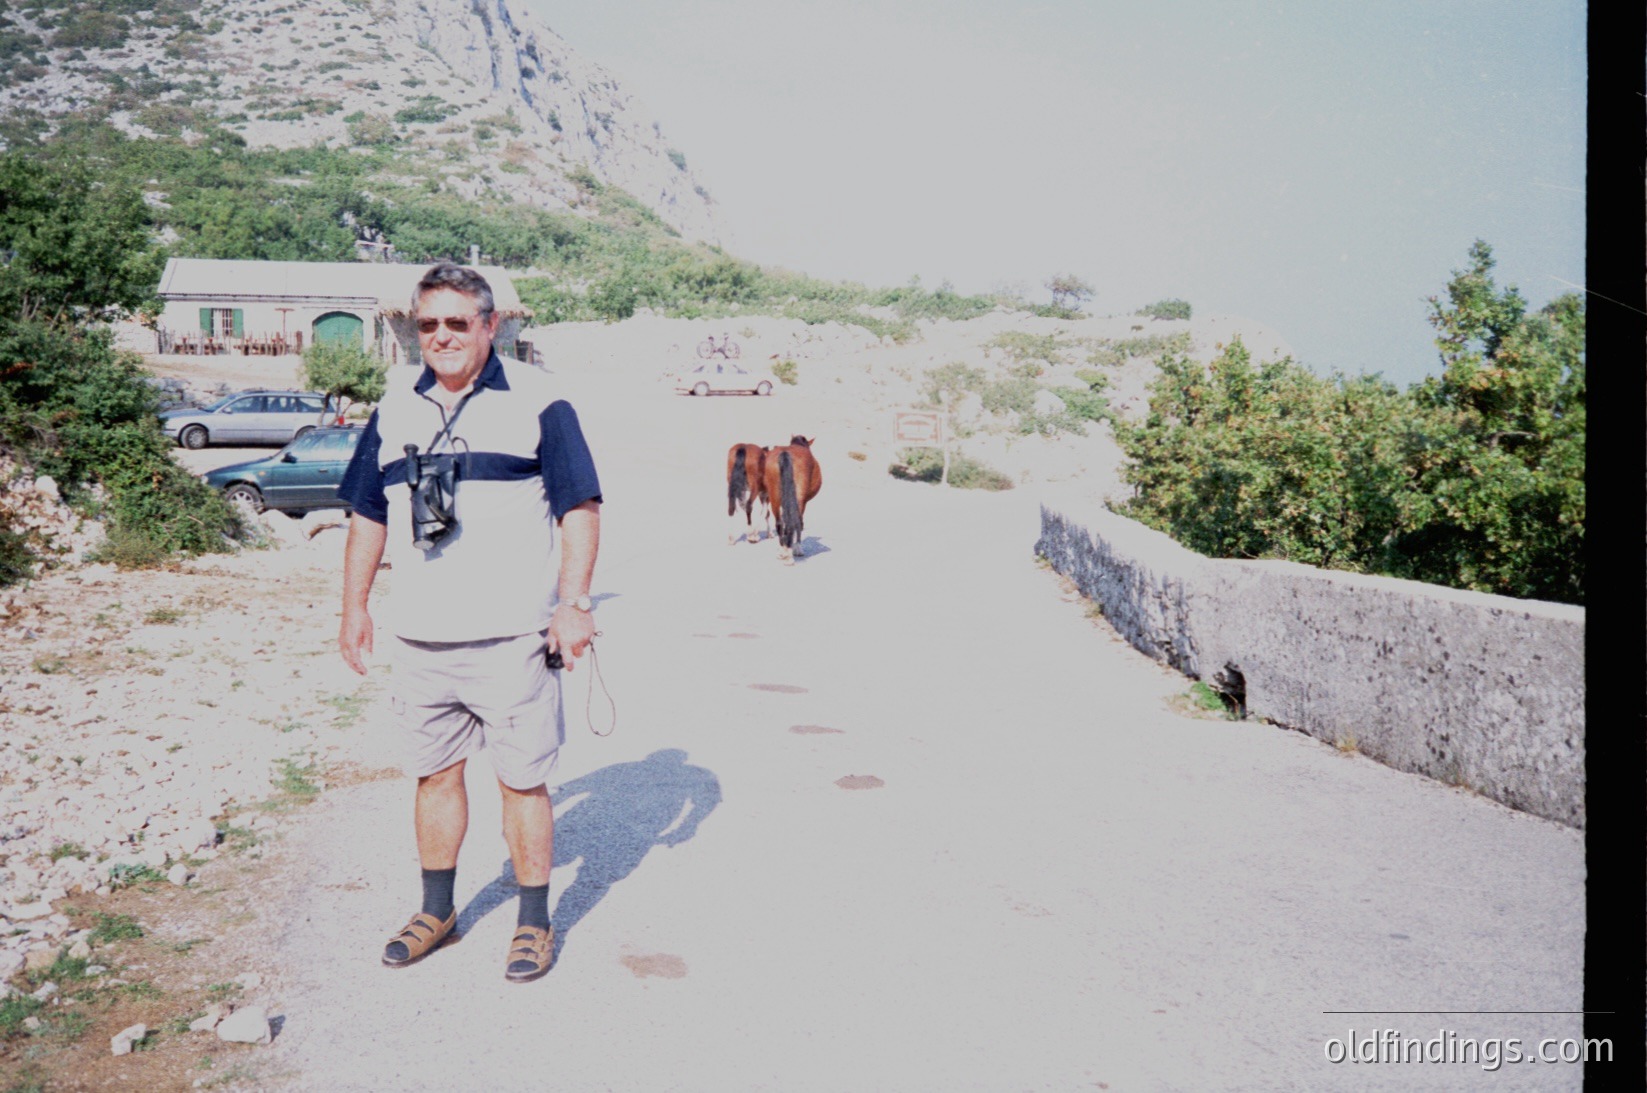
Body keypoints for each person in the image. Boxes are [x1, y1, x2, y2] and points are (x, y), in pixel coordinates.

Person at [336, 262, 602, 984]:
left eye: (459, 321)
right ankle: (438, 912)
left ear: (490, 325)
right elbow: (364, 512)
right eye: (429, 324)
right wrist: (353, 607)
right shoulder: (394, 407)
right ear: (414, 330)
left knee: (521, 783)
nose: (443, 336)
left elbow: (578, 506)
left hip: (511, 637)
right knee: (434, 776)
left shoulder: (540, 399)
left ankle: (533, 921)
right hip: (421, 641)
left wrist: (572, 603)